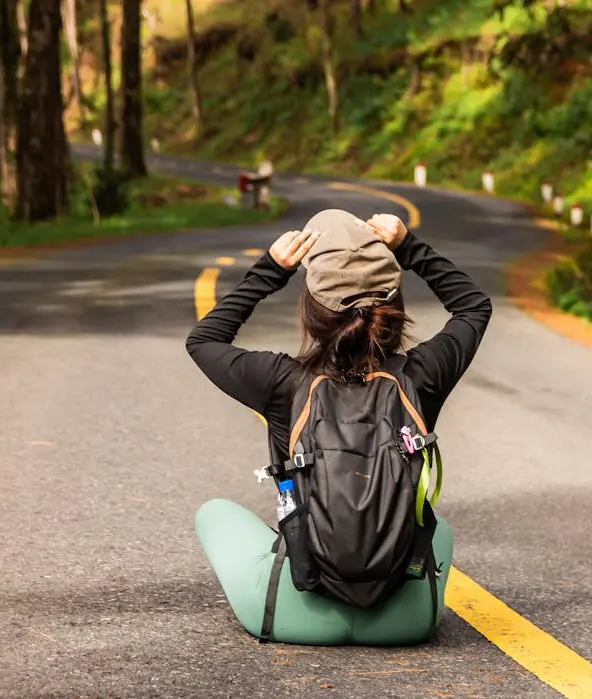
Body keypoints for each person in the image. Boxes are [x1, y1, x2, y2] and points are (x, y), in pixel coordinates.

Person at [186, 208, 492, 645]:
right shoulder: (422, 376)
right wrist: (409, 247)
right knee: (437, 527)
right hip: (406, 621)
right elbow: (474, 306)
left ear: (312, 309)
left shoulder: (281, 381)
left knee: (214, 513)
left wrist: (270, 270)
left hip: (291, 612)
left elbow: (204, 340)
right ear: (394, 307)